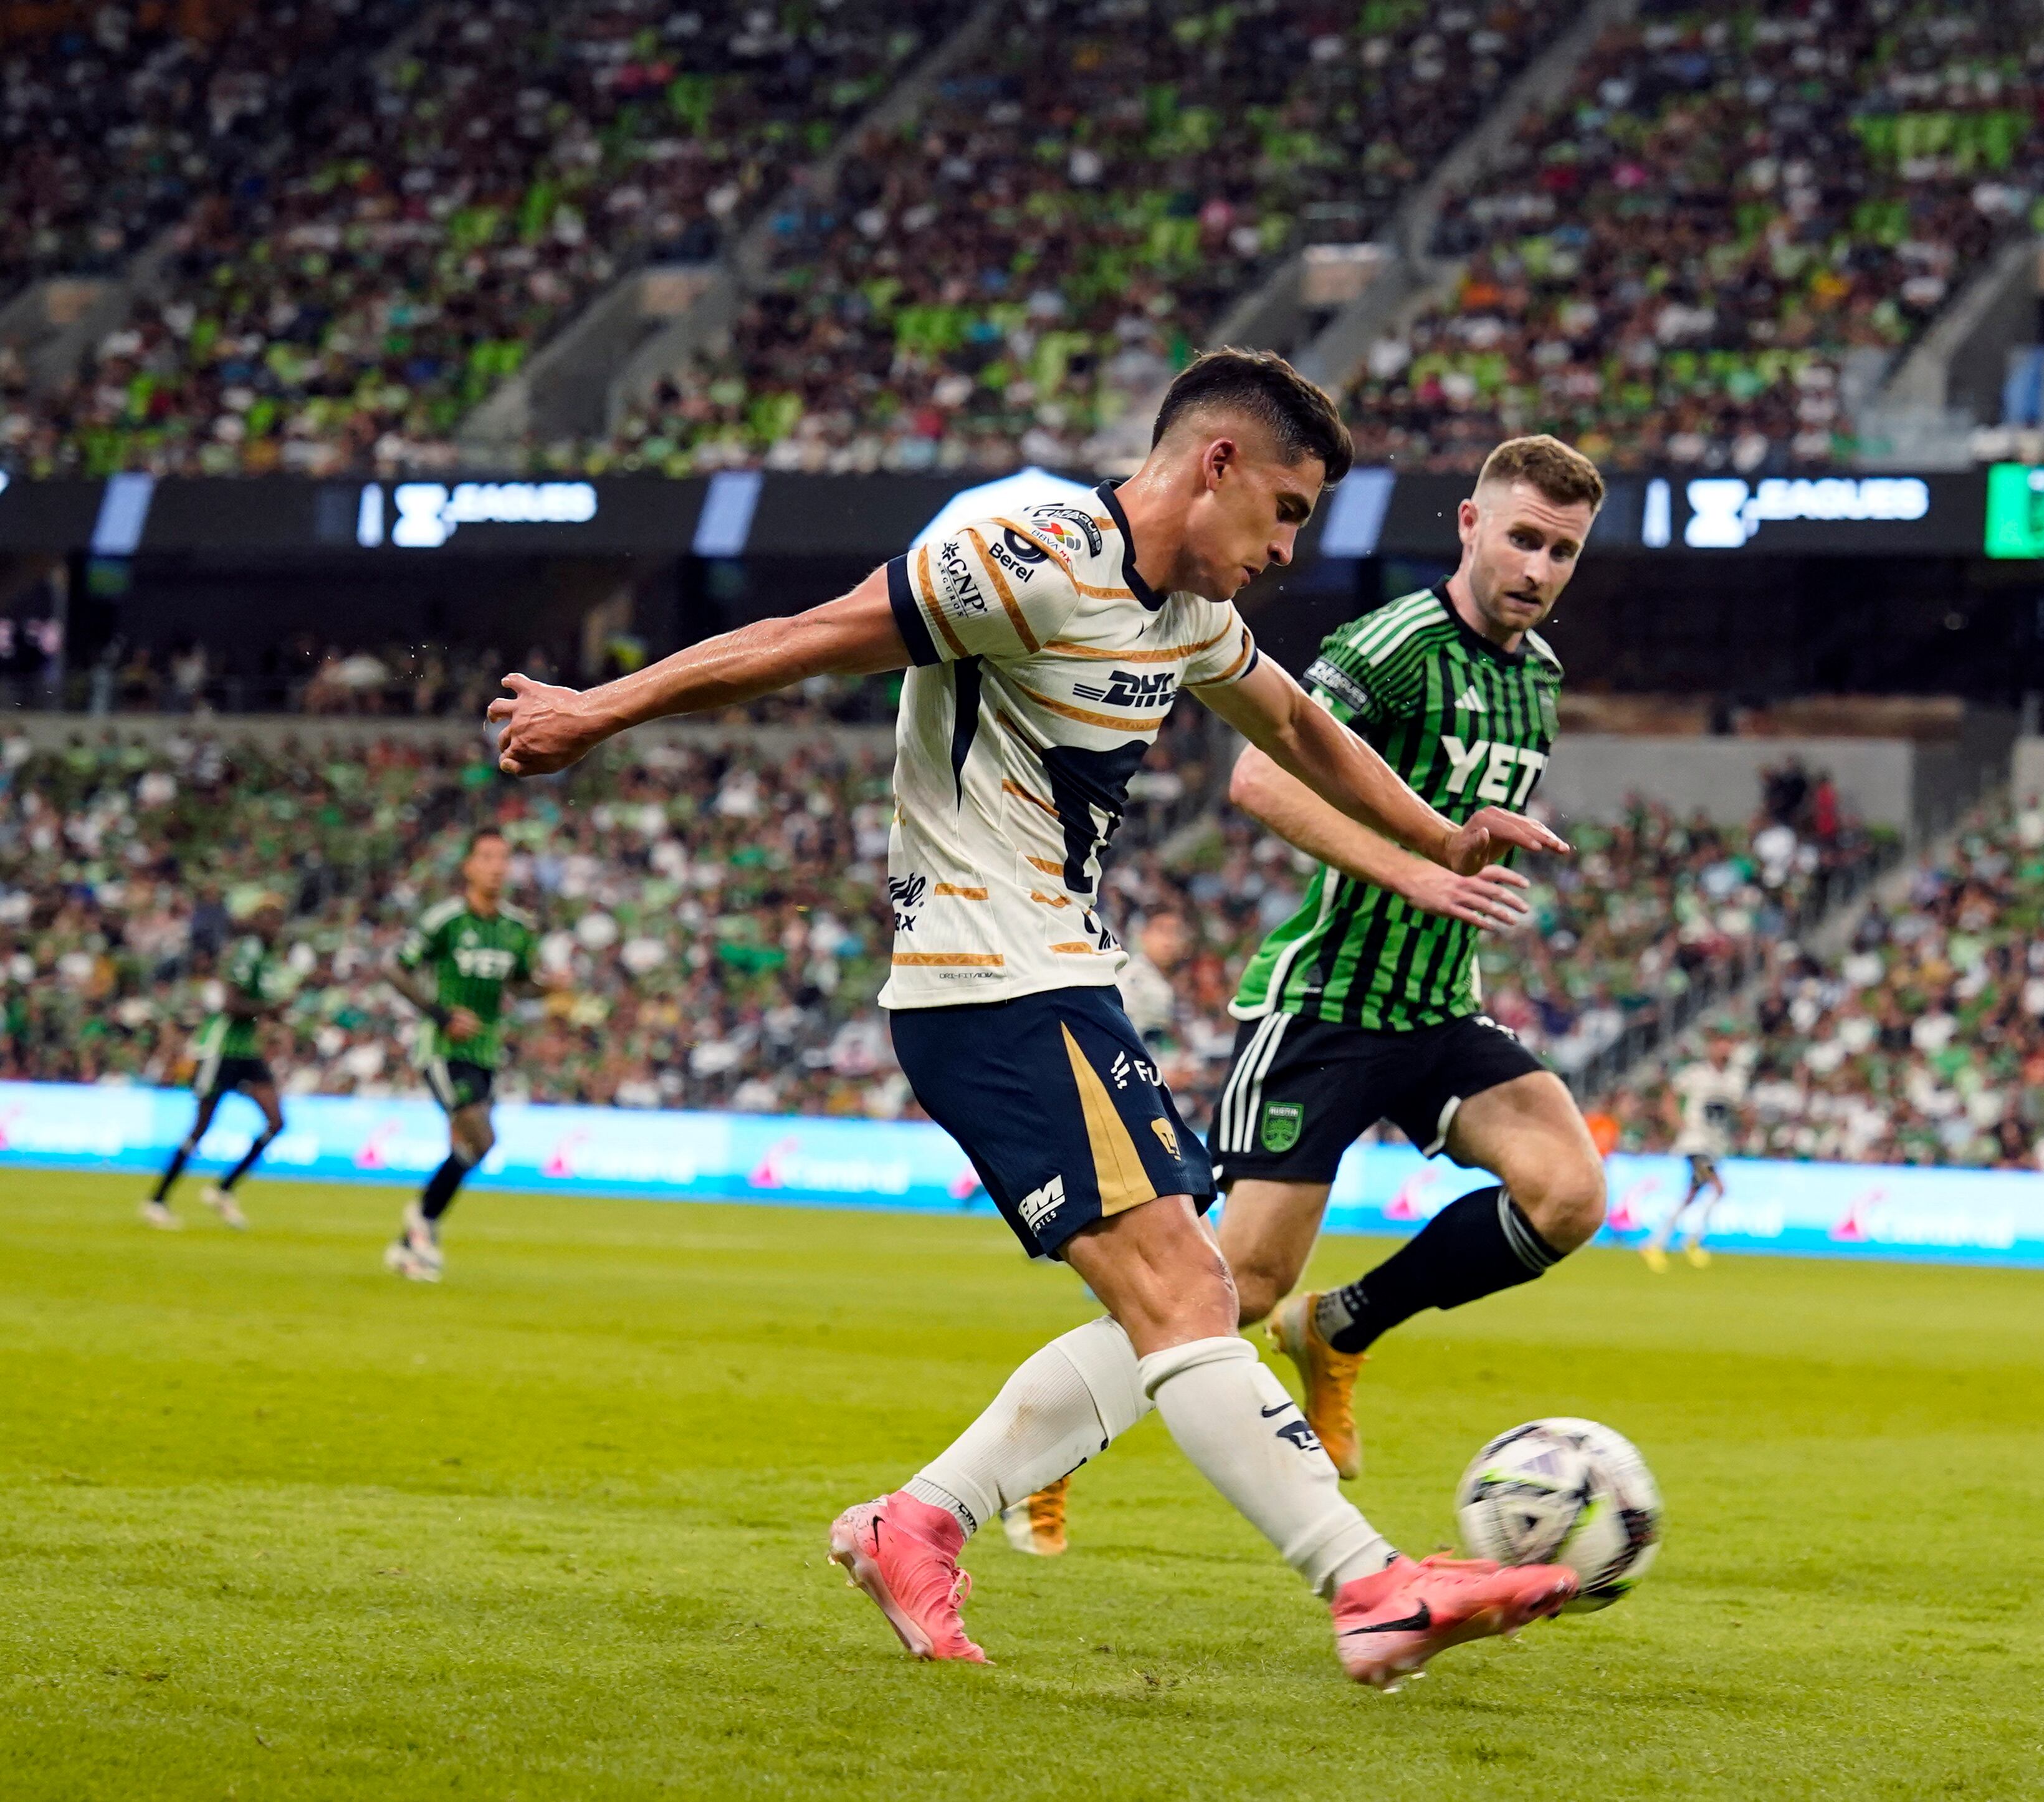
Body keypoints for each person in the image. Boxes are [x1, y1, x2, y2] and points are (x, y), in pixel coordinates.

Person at [484, 349, 1582, 1687]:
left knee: (1182, 1294)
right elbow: (799, 641)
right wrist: (594, 707)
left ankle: (921, 1518)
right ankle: (1368, 1583)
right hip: (982, 977)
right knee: (1189, 1289)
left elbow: (1296, 724)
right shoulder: (1028, 551)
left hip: (1056, 975)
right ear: (1215, 464)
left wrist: (1438, 831)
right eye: (1286, 508)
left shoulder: (1182, 612)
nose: (1289, 546)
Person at [1005, 434, 1607, 1552]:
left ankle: (1344, 1327)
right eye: (1522, 536)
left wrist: (1451, 881)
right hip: (1325, 1005)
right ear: (1471, 526)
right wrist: (1420, 867)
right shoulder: (1389, 645)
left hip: (1436, 1007)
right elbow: (1257, 777)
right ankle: (1039, 1455)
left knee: (1568, 1193)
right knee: (1227, 1289)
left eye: (1563, 550)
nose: (1538, 567)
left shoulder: (1540, 679)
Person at [380, 829, 544, 1282]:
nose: (496, 865)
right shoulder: (445, 919)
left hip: (486, 1051)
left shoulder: (517, 927)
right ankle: (422, 1224)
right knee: (482, 1139)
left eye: (503, 858)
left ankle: (410, 1241)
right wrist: (439, 1012)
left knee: (469, 1147)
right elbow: (395, 967)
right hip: (443, 1048)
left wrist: (551, 986)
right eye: (487, 857)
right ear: (468, 866)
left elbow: (523, 983)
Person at [142, 891, 291, 1230]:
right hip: (221, 1047)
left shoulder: (268, 956)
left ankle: (223, 1190)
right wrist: (270, 1010)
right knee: (202, 1126)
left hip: (246, 1050)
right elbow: (230, 1004)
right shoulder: (247, 951)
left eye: (278, 918)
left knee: (277, 1122)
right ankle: (157, 1200)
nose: (275, 925)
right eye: (268, 917)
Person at [1646, 1034, 1742, 1272]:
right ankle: (1691, 1241)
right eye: (1721, 1043)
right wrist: (1675, 1120)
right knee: (1719, 1188)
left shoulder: (1734, 1079)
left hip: (1714, 1144)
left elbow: (1737, 1108)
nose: (1725, 1048)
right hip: (1695, 1143)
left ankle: (1657, 1243)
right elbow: (1671, 1095)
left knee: (1691, 1195)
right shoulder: (1697, 1073)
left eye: (1728, 1044)